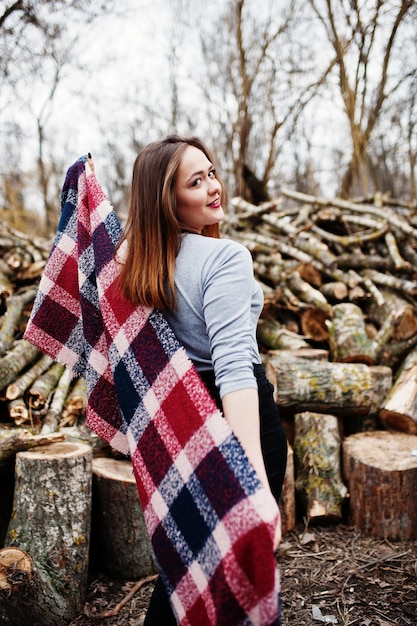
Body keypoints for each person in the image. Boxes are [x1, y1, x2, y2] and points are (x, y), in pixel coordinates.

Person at [115, 135, 288, 625]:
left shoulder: (133, 263)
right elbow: (234, 367)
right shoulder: (225, 259)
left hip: (185, 428)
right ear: (167, 200)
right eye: (197, 181)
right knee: (235, 583)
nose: (215, 188)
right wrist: (251, 478)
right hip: (242, 426)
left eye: (211, 172)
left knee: (184, 574)